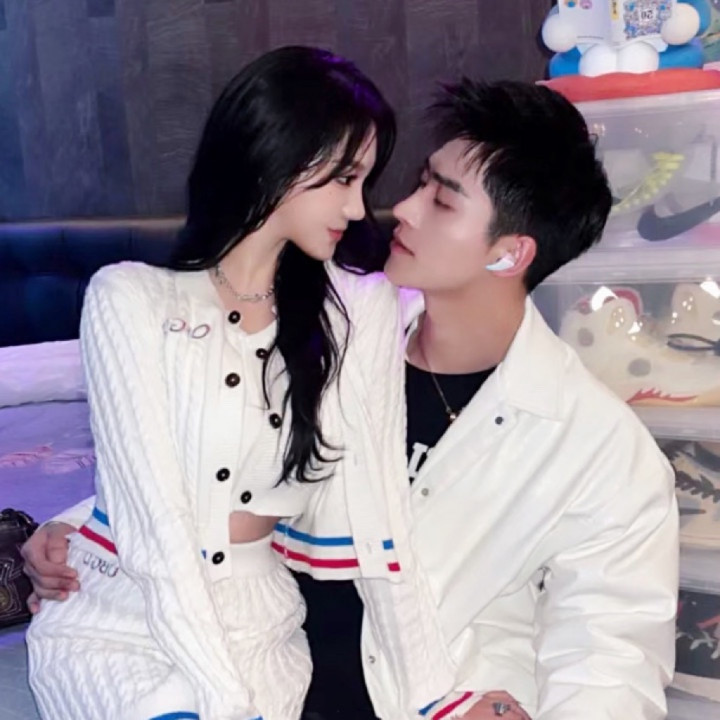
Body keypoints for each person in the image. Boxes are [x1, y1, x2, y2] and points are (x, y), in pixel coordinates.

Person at [24, 79, 679, 720]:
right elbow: (210, 450)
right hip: (250, 659)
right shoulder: (344, 326)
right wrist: (81, 531)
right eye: (419, 182)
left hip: (413, 690)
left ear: (509, 255)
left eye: (441, 200)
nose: (401, 209)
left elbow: (613, 650)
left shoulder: (597, 445)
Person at [23, 44, 402, 720]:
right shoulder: (131, 299)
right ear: (276, 155)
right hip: (119, 616)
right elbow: (154, 511)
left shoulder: (356, 311)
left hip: (260, 624)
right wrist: (222, 699)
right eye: (344, 178)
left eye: (364, 182)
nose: (356, 208)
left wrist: (430, 694)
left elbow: (376, 513)